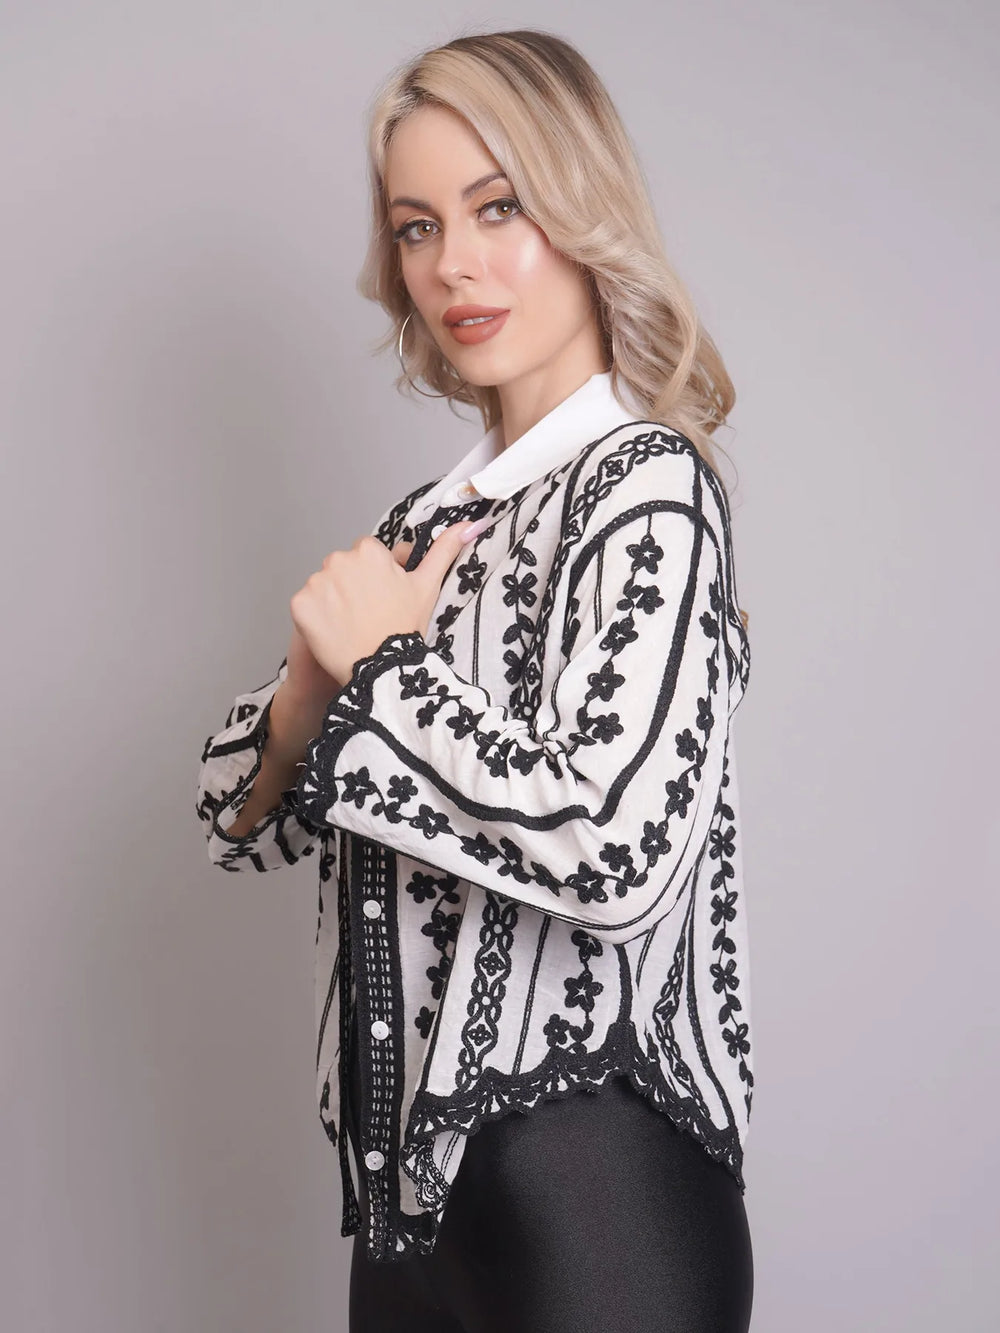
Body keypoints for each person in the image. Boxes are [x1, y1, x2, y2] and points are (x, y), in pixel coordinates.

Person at [196, 27, 754, 1333]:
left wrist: (386, 667)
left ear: (582, 210)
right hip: (410, 1221)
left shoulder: (649, 489)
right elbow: (237, 828)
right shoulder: (422, 528)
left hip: (600, 1197)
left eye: (499, 207)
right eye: (417, 226)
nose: (453, 263)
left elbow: (617, 853)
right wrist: (306, 695)